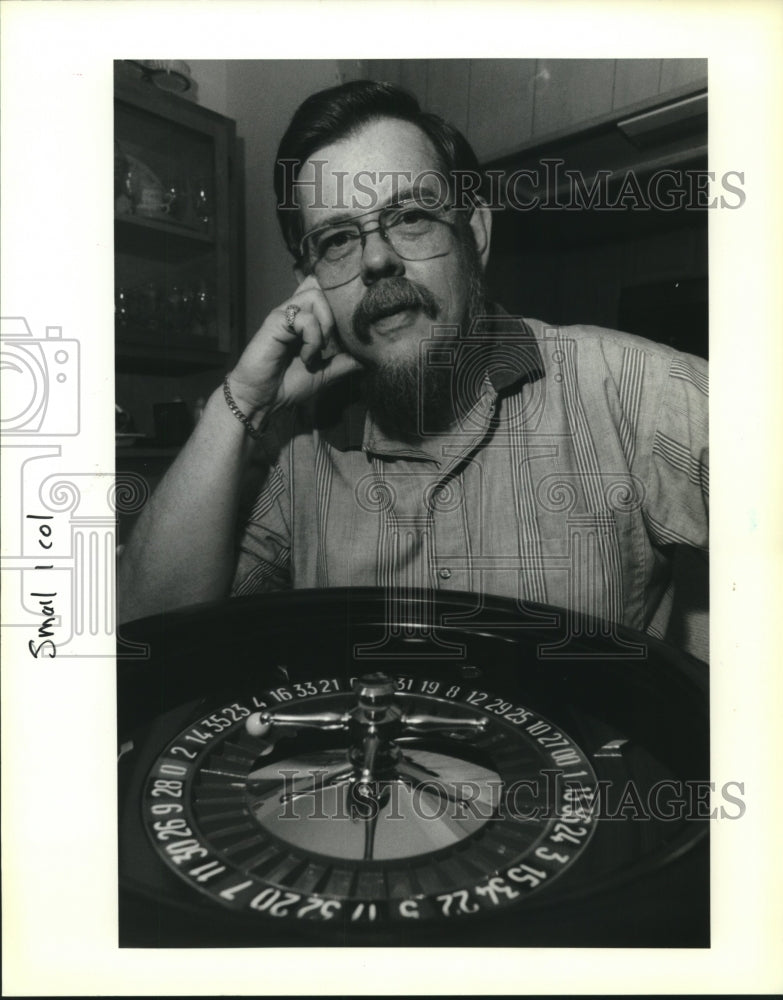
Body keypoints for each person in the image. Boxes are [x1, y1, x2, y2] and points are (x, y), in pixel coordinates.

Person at [118, 80, 709, 660]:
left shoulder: (631, 390)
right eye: (338, 240)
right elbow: (148, 638)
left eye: (411, 218)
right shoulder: (299, 451)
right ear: (313, 280)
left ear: (473, 234)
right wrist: (245, 399)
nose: (377, 258)